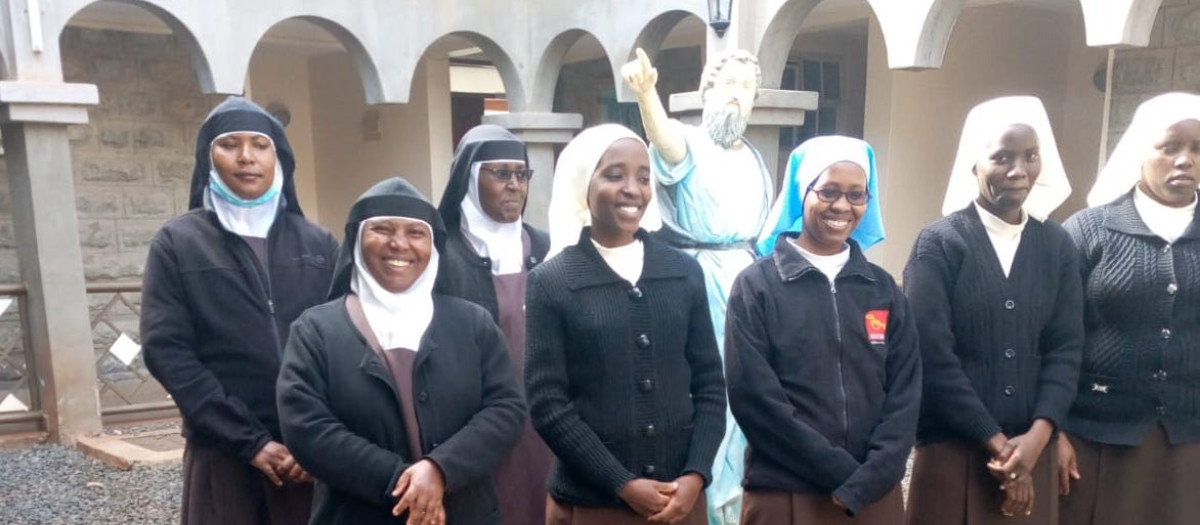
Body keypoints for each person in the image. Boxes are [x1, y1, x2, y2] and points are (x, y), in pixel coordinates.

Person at [277, 177, 526, 525]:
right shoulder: (315, 330)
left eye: (415, 233)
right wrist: (406, 484)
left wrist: (441, 470)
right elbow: (307, 428)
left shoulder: (473, 323)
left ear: (433, 245)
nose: (399, 244)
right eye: (382, 229)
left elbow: (506, 409)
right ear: (357, 240)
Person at [141, 97, 338, 525]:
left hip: (309, 457)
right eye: (230, 144)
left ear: (279, 157)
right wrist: (249, 441)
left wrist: (318, 437)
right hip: (224, 455)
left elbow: (344, 347)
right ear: (208, 157)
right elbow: (167, 351)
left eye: (260, 145)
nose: (246, 157)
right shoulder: (178, 243)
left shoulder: (318, 245)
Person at [527, 124, 726, 525]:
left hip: (680, 503)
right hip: (593, 505)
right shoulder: (552, 281)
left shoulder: (682, 272)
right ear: (584, 182)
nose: (632, 189)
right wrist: (621, 483)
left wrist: (695, 475)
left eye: (643, 177)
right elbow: (548, 402)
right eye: (614, 175)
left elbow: (709, 385)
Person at [902, 96, 1083, 525]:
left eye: (1030, 157)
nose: (1018, 171)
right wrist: (1000, 446)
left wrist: (1038, 438)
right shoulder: (940, 245)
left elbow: (1066, 349)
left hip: (1033, 447)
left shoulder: (1056, 246)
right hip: (952, 451)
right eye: (1001, 157)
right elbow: (932, 355)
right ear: (974, 164)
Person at [727, 135, 918, 525]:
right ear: (802, 193)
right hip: (786, 492)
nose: (842, 206)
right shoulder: (757, 287)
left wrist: (873, 475)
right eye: (829, 191)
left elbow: (905, 394)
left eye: (856, 195)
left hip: (873, 496)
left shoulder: (883, 290)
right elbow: (756, 401)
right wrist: (844, 476)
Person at [622, 46, 772, 525]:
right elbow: (666, 145)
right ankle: (709, 500)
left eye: (746, 89)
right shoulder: (690, 142)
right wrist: (648, 96)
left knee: (748, 389)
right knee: (710, 392)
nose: (737, 98)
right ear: (706, 91)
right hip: (699, 281)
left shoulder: (752, 157)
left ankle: (741, 498)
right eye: (728, 85)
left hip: (749, 284)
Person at [1058, 92, 1200, 525]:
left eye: (1197, 149)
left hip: (1188, 441)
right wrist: (1055, 429)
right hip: (1094, 438)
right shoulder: (1088, 230)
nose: (1185, 160)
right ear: (1141, 150)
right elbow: (1054, 338)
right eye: (1170, 147)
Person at [434, 124, 552, 525]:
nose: (514, 186)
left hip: (542, 422)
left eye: (521, 175)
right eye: (500, 174)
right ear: (469, 176)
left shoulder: (544, 247)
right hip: (472, 424)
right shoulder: (441, 253)